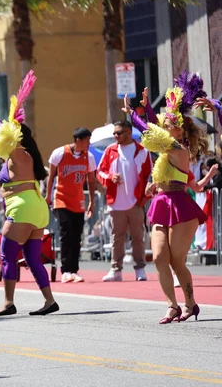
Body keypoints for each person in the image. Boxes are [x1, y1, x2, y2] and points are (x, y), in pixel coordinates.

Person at [125, 72, 218, 323]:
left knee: (177, 261)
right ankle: (172, 305)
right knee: (158, 257)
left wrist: (135, 116)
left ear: (181, 130)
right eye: (166, 125)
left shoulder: (179, 149)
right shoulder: (166, 152)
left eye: (171, 126)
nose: (167, 128)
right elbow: (157, 131)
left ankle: (190, 303)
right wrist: (146, 112)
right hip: (161, 203)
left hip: (180, 207)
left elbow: (152, 134)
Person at [0, 70, 59, 316]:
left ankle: (8, 302)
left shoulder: (19, 154)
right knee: (33, 258)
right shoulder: (28, 157)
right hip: (36, 209)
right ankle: (49, 301)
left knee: (7, 255)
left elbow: (3, 134)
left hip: (23, 208)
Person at [97, 119, 152, 282]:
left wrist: (144, 199)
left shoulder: (142, 151)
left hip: (135, 201)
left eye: (119, 133)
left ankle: (140, 269)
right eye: (114, 133)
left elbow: (150, 176)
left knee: (137, 236)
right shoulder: (110, 150)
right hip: (116, 202)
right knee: (117, 237)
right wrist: (110, 177)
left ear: (129, 133)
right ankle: (116, 270)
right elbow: (100, 171)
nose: (116, 136)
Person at [46, 127, 97, 283]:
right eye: (87, 140)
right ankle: (65, 270)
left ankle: (74, 270)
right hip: (61, 199)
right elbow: (51, 176)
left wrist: (92, 201)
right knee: (66, 234)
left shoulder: (88, 157)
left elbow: (91, 180)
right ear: (78, 140)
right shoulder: (60, 153)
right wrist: (48, 196)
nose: (89, 143)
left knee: (77, 236)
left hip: (78, 201)